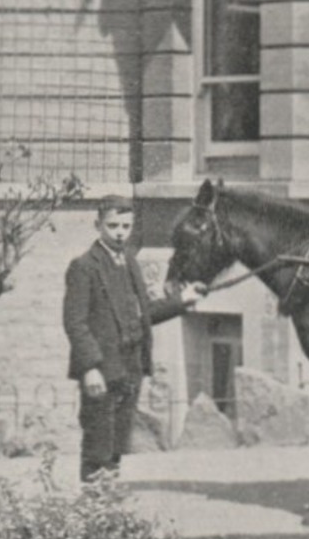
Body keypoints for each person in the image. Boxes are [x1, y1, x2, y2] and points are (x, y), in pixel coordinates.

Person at [64, 196, 205, 483]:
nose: (119, 232)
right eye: (112, 225)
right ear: (98, 225)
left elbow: (144, 314)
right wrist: (90, 367)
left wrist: (182, 300)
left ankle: (110, 510)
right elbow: (75, 323)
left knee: (117, 447)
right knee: (98, 444)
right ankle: (94, 512)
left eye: (126, 226)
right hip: (102, 370)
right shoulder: (84, 266)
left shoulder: (129, 261)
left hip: (131, 367)